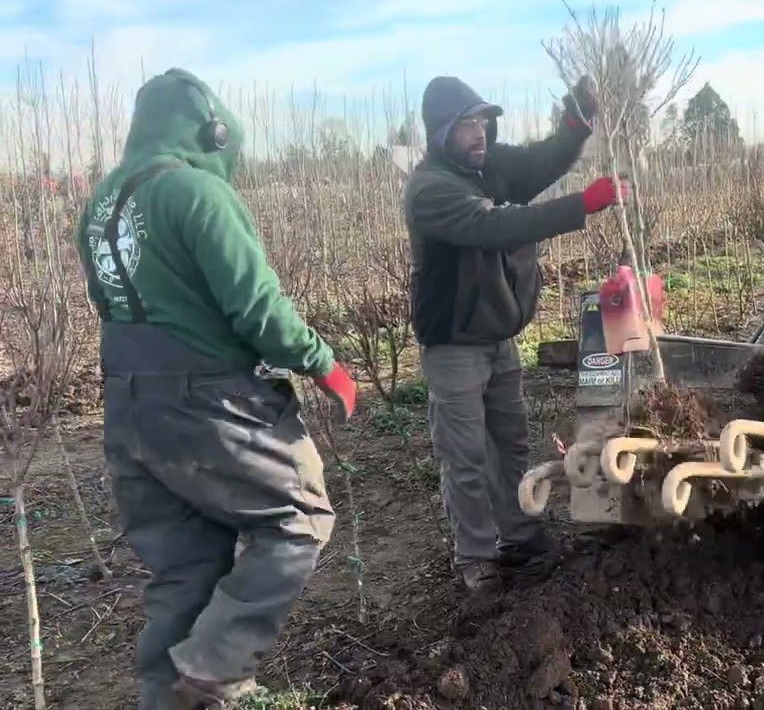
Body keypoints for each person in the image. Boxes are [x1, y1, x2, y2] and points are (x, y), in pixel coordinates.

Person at [74, 68, 356, 709]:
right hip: (206, 400)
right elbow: (258, 310)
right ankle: (215, 664)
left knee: (185, 570)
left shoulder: (101, 206)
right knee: (300, 516)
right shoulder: (196, 192)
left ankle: (167, 699)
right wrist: (324, 365)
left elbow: (108, 302)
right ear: (212, 130)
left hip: (127, 404)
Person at [404, 74, 629, 593]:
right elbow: (494, 227)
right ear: (441, 133)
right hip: (454, 343)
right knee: (465, 454)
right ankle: (476, 557)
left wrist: (574, 127)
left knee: (509, 443)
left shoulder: (488, 166)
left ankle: (519, 536)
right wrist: (583, 205)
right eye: (467, 124)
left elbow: (536, 164)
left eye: (482, 120)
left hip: (498, 336)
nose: (480, 131)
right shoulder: (432, 189)